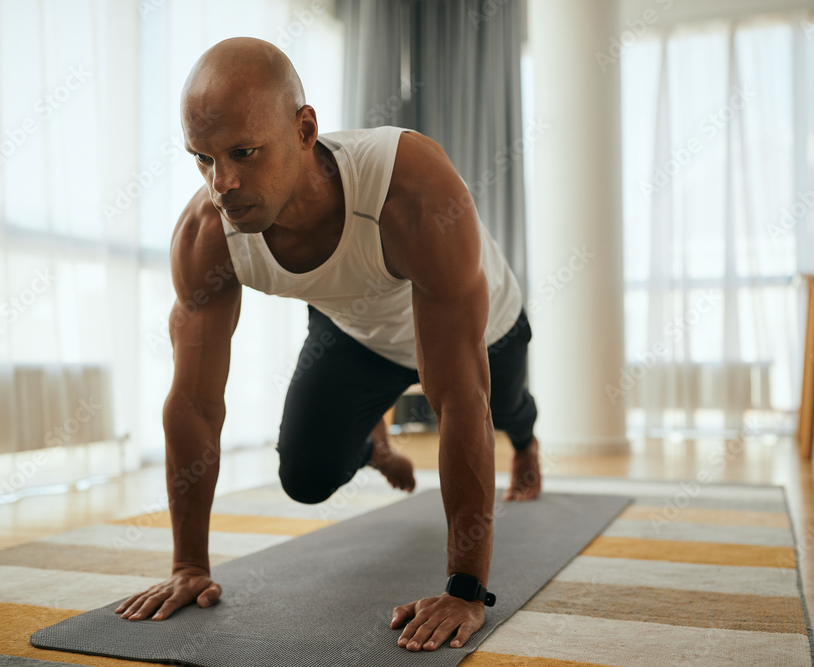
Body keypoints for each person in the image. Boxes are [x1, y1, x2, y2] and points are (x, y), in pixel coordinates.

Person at [115, 36, 540, 653]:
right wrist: (188, 565)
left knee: (507, 406)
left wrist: (465, 589)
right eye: (203, 159)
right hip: (354, 333)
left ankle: (528, 444)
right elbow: (195, 404)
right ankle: (372, 437)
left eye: (244, 152)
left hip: (486, 327)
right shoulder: (208, 235)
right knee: (306, 477)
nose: (223, 184)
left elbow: (458, 397)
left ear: (305, 129)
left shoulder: (410, 189)